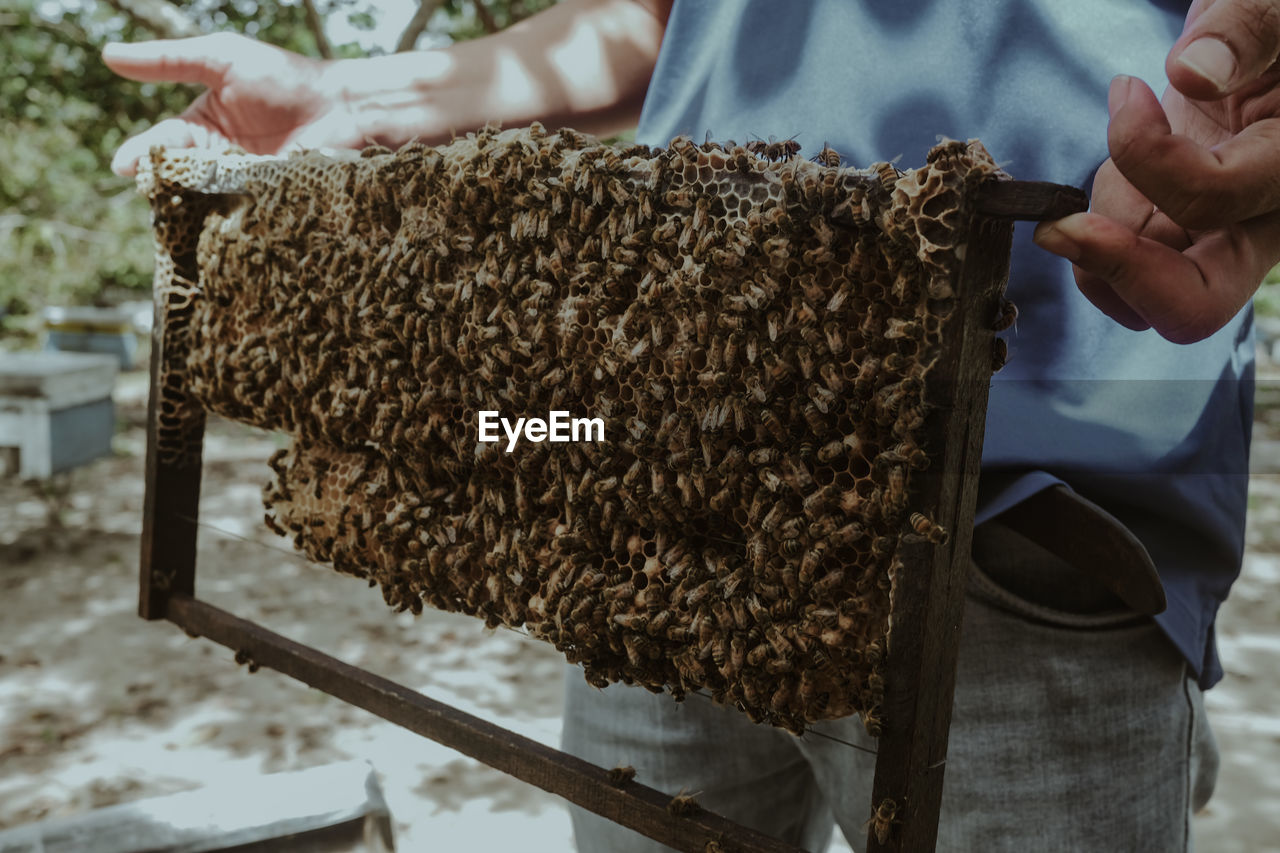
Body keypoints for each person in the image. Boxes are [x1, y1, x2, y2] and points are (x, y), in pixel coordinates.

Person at [104, 0, 1280, 849]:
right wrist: (358, 96)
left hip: (1025, 499)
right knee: (506, 432)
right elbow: (654, 15)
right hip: (642, 491)